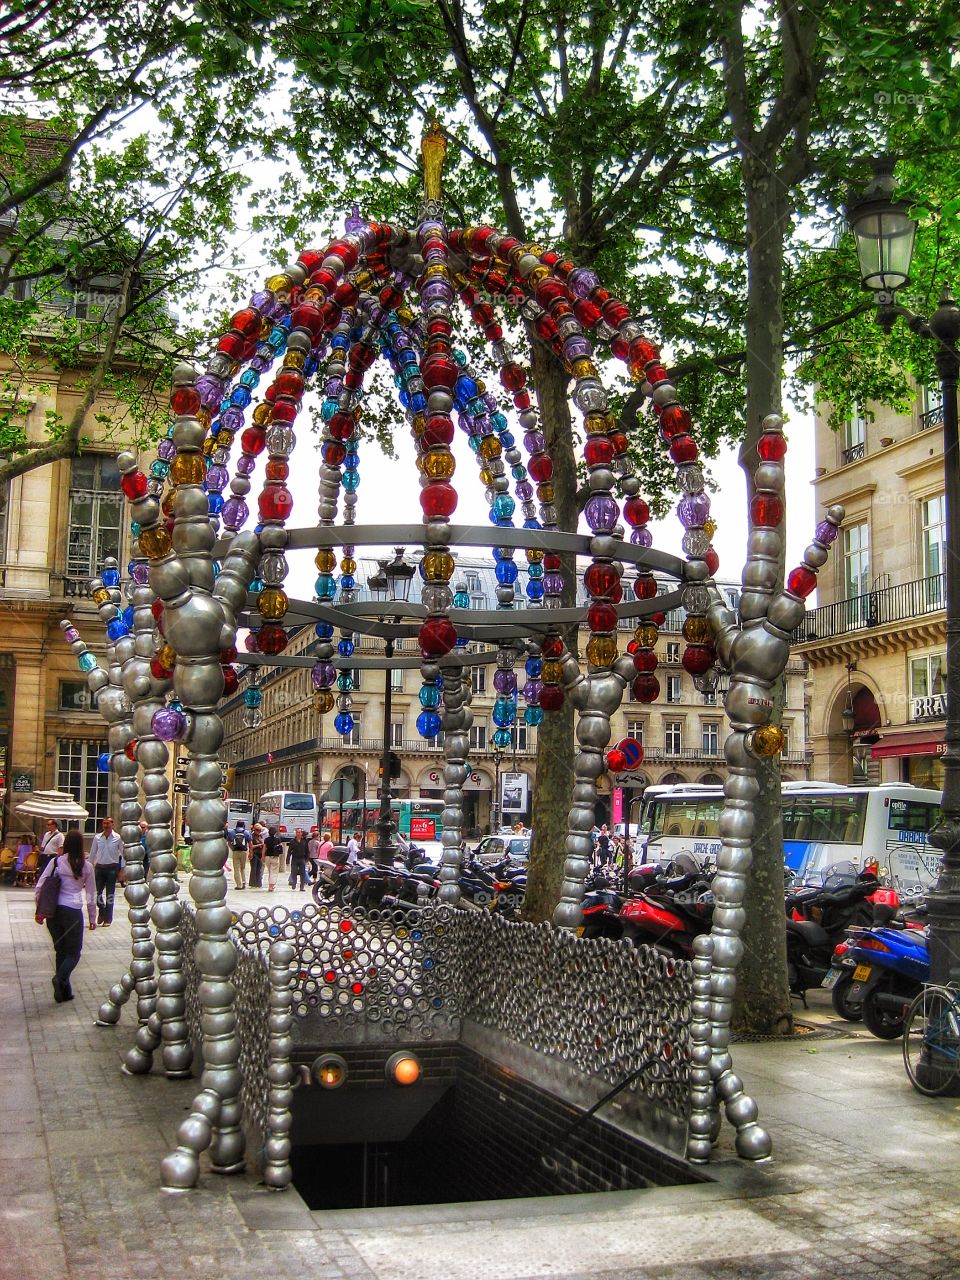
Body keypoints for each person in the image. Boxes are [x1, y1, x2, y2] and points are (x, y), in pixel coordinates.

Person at [35, 828, 96, 1002]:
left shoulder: (56, 862)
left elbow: (40, 886)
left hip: (54, 912)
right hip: (73, 912)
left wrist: (39, 910)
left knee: (60, 951)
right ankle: (60, 979)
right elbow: (91, 895)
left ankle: (63, 992)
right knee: (74, 953)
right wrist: (92, 918)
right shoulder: (87, 867)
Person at [90, 815, 124, 925]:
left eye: (108, 823)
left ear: (112, 824)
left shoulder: (118, 838)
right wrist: (89, 868)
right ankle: (102, 910)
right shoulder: (97, 838)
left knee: (110, 894)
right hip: (99, 867)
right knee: (96, 894)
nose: (106, 825)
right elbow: (92, 854)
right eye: (104, 823)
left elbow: (123, 854)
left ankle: (108, 919)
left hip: (112, 868)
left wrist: (122, 869)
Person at [229, 820, 250, 890]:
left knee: (236, 868)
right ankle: (244, 882)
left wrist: (232, 849)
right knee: (243, 868)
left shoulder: (232, 832)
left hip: (236, 851)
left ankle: (239, 884)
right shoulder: (246, 832)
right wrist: (250, 851)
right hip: (244, 851)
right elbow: (250, 842)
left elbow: (229, 842)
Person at [263, 826, 285, 892]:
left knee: (270, 871)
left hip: (267, 856)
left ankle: (270, 885)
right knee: (274, 872)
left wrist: (262, 856)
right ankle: (271, 886)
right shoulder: (278, 839)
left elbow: (264, 848)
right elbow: (281, 848)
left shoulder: (266, 839)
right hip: (275, 857)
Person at [249, 823, 265, 888]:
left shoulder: (260, 836)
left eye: (260, 830)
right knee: (254, 869)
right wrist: (260, 845)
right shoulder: (252, 836)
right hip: (254, 853)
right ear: (254, 830)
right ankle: (253, 883)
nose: (259, 831)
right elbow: (251, 846)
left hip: (260, 854)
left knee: (259, 869)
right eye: (257, 830)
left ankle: (258, 883)